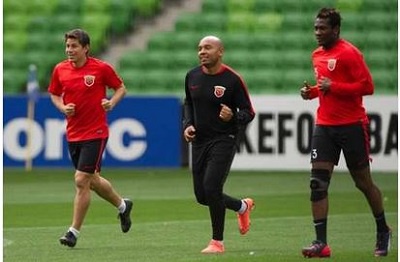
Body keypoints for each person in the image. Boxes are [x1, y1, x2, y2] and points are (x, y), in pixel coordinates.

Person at [300, 8, 391, 258]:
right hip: (325, 126)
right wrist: (314, 93)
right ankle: (321, 243)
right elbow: (324, 86)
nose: (317, 32)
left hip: (352, 125)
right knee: (317, 184)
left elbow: (367, 87)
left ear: (336, 30)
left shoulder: (350, 53)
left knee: (362, 182)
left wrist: (334, 86)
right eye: (316, 28)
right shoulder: (317, 55)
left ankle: (383, 229)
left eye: (322, 28)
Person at [48, 29, 133, 248]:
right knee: (91, 180)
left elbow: (120, 88)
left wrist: (111, 103)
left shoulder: (100, 68)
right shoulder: (60, 69)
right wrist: (62, 107)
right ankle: (123, 206)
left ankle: (73, 232)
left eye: (74, 46)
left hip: (96, 132)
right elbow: (54, 93)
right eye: (67, 46)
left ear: (86, 48)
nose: (69, 50)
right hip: (73, 132)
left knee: (80, 180)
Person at [183, 35, 256, 254]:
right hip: (200, 141)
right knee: (202, 196)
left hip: (224, 140)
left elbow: (248, 113)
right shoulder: (192, 76)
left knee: (212, 187)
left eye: (207, 48)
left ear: (220, 52)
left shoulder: (232, 80)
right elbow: (188, 103)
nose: (202, 52)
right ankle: (242, 206)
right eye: (199, 48)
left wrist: (233, 117)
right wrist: (188, 124)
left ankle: (217, 242)